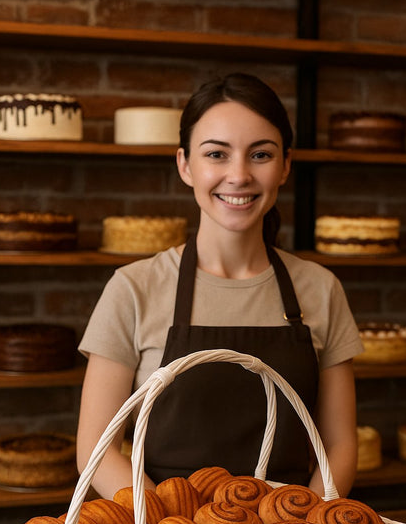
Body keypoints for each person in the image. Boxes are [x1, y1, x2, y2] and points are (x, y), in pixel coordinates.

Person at [77, 72, 363, 499]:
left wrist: (310, 522)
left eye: (260, 155)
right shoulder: (133, 288)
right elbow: (96, 452)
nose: (239, 175)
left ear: (285, 165)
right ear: (185, 165)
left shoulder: (321, 289)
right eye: (217, 154)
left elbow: (339, 446)